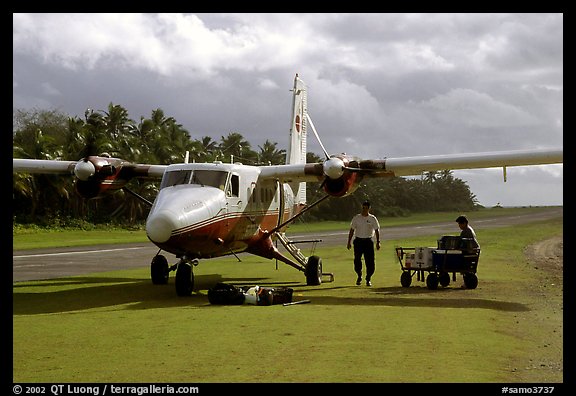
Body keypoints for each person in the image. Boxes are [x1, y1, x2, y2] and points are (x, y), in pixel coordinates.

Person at [347, 200, 381, 286]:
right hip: (358, 241)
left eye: (366, 208)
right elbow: (352, 230)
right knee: (357, 260)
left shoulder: (372, 218)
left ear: (369, 208)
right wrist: (349, 242)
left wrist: (378, 242)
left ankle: (368, 278)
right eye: (363, 208)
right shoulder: (356, 218)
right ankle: (359, 275)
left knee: (370, 261)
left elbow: (377, 230)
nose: (364, 210)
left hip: (368, 242)